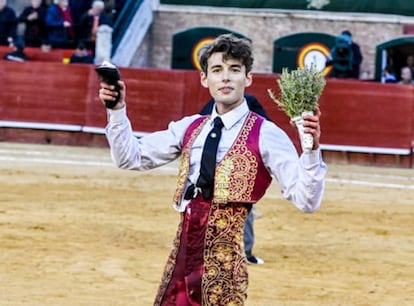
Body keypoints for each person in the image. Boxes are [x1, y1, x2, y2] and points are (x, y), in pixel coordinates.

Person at [98, 34, 327, 305]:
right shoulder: (190, 127)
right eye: (217, 70)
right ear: (205, 79)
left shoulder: (267, 134)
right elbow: (129, 157)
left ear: (248, 78)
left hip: (225, 269)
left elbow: (307, 201)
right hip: (180, 262)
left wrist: (311, 153)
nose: (226, 78)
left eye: (234, 70)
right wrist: (116, 110)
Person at [200, 93, 269, 265]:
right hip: (233, 164)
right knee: (242, 205)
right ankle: (245, 252)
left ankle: (207, 248)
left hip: (209, 162)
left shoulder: (215, 102)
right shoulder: (249, 102)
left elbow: (200, 124)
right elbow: (266, 126)